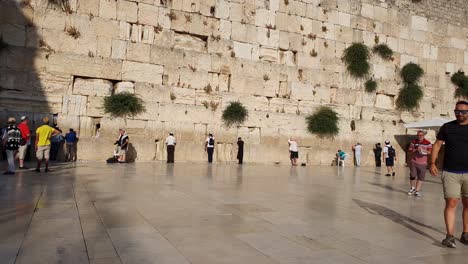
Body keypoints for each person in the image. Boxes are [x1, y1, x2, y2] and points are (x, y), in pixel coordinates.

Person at [430, 101, 468, 248]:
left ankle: (465, 234)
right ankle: (450, 236)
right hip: (451, 171)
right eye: (457, 111)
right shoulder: (447, 127)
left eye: (464, 112)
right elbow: (437, 145)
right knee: (451, 202)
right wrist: (432, 163)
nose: (460, 114)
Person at [407, 130, 432, 197]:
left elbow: (430, 152)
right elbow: (409, 150)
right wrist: (415, 149)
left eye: (421, 135)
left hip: (423, 163)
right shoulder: (414, 142)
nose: (419, 136)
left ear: (424, 135)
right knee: (412, 175)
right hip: (414, 162)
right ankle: (412, 188)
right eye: (418, 135)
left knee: (420, 177)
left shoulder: (428, 143)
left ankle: (417, 191)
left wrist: (423, 150)